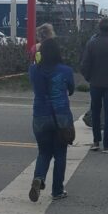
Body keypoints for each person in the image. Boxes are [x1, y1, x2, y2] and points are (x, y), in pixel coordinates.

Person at [28, 38, 75, 202]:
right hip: (60, 116)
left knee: (44, 151)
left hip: (40, 116)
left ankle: (39, 177)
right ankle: (57, 190)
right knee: (60, 153)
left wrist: (37, 56)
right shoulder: (65, 70)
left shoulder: (33, 70)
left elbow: (33, 79)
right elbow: (72, 89)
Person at [81, 17, 108, 153]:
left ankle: (95, 141)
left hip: (95, 82)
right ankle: (107, 144)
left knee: (95, 111)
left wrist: (89, 78)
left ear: (99, 27)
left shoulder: (92, 44)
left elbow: (85, 64)